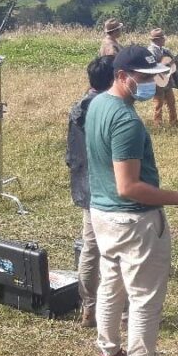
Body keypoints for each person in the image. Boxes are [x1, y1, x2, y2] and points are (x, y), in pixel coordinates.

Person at [85, 45, 178, 356]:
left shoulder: (97, 104)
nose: (151, 84)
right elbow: (128, 185)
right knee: (144, 300)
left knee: (110, 287)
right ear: (122, 76)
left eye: (154, 77)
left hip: (102, 214)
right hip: (134, 219)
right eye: (144, 78)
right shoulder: (126, 121)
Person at [66, 55, 115, 329]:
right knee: (117, 249)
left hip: (85, 185)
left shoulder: (77, 107)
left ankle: (89, 307)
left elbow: (70, 150)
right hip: (107, 187)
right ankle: (120, 310)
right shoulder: (107, 109)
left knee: (90, 248)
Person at [147, 28, 178, 127]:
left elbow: (172, 62)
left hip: (167, 80)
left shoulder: (165, 50)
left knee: (171, 102)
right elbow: (151, 66)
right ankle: (158, 124)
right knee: (158, 104)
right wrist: (163, 67)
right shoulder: (150, 51)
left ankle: (174, 121)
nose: (165, 40)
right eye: (163, 38)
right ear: (157, 39)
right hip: (157, 81)